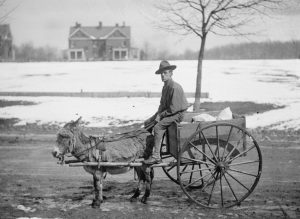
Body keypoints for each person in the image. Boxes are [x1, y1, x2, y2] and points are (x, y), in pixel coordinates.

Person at [143, 60, 189, 165]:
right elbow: (162, 105)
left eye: (165, 73)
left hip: (177, 115)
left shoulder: (174, 87)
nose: (163, 75)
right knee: (147, 123)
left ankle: (156, 156)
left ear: (171, 73)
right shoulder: (165, 87)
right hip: (169, 113)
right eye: (161, 73)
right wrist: (155, 116)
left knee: (158, 127)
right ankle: (149, 151)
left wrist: (161, 116)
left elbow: (173, 109)